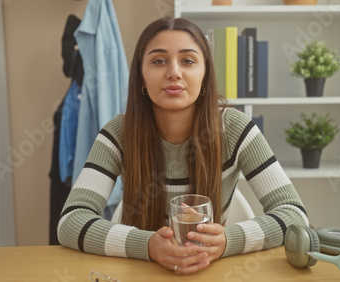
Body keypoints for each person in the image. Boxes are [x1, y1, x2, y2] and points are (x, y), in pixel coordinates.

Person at [57, 17, 308, 274]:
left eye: (188, 61)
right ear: (141, 78)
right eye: (158, 61)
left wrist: (227, 241)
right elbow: (71, 220)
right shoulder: (119, 133)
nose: (174, 72)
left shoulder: (235, 128)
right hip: (138, 272)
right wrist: (147, 245)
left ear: (205, 74)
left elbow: (294, 214)